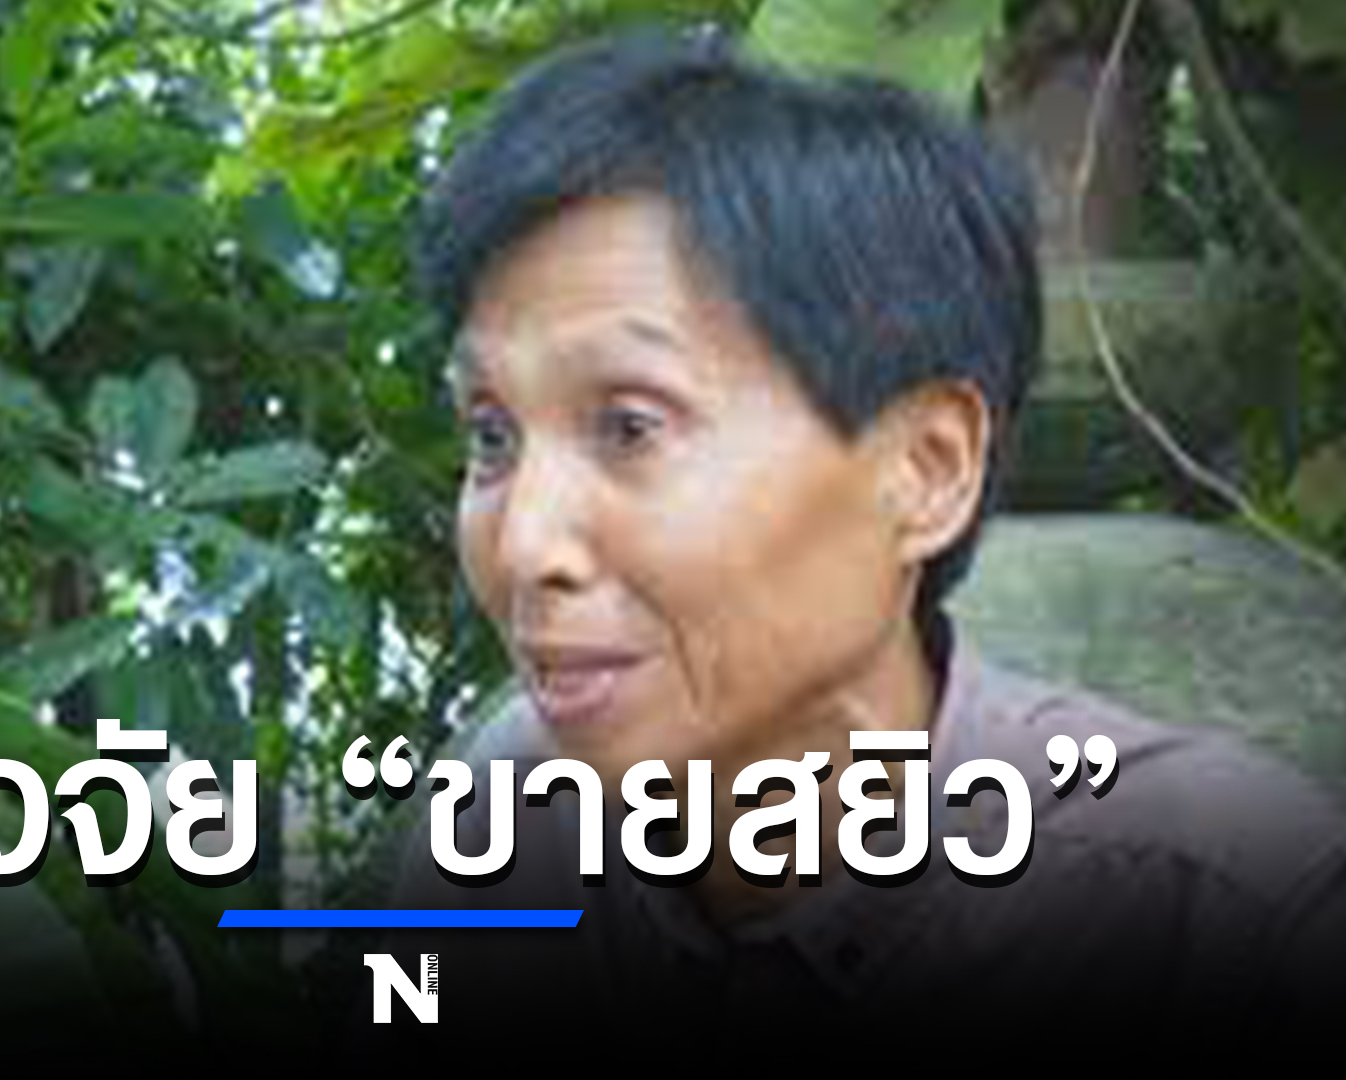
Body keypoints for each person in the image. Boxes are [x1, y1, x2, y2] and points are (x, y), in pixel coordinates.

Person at [377, 27, 1346, 1039]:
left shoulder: (1226, 914)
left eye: (629, 427)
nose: (523, 544)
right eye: (491, 436)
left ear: (925, 469)